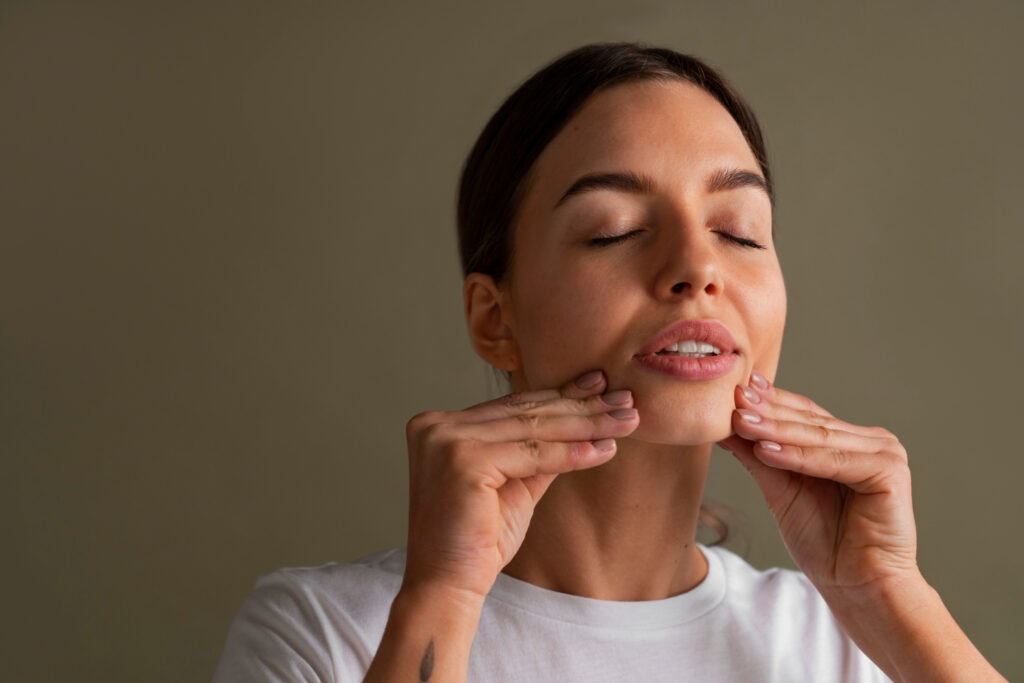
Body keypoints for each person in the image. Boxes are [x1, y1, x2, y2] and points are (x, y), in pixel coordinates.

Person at [212, 42, 1006, 682]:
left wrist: (894, 601)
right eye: (615, 230)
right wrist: (445, 597)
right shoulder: (322, 634)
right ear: (496, 319)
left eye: (738, 229)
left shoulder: (847, 644)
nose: (698, 267)